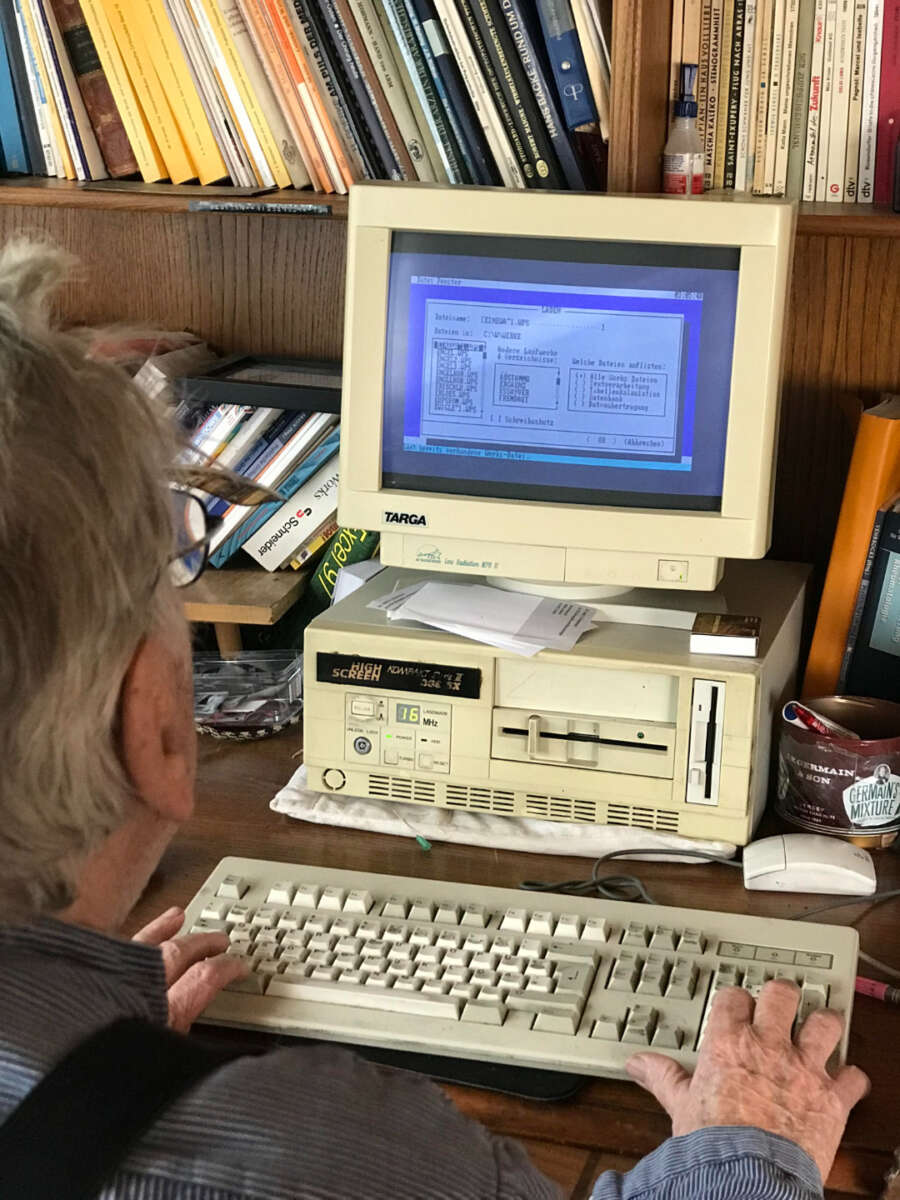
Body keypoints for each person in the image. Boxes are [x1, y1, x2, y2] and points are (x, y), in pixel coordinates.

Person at [0, 239, 869, 1199]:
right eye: (179, 564)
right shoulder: (339, 1161)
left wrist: (81, 1037)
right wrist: (749, 1143)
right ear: (154, 723)